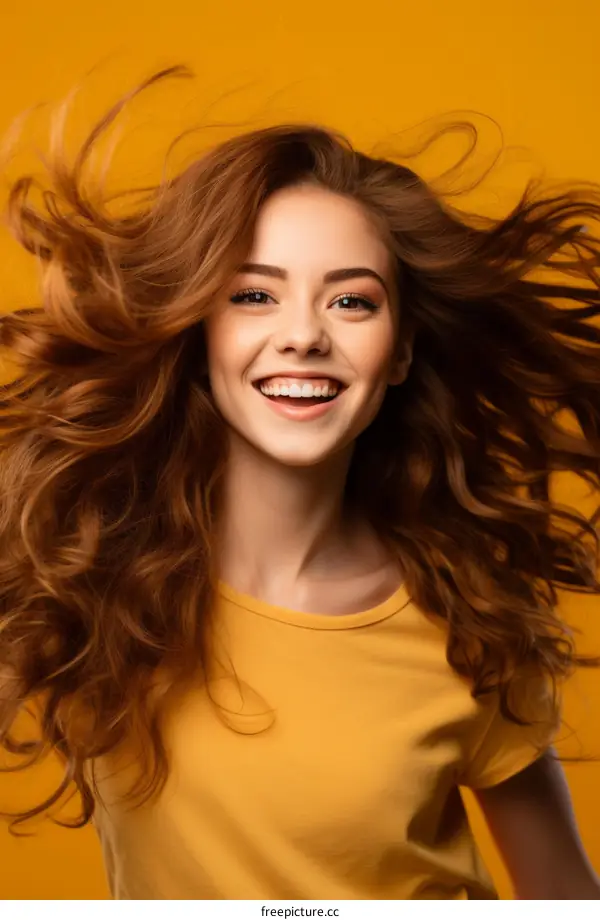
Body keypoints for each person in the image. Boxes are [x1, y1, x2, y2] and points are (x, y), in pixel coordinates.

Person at [0, 67, 599, 901]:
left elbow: (566, 898)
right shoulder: (84, 577)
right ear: (196, 331)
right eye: (254, 295)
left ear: (400, 353)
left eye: (351, 303)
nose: (303, 337)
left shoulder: (467, 617)